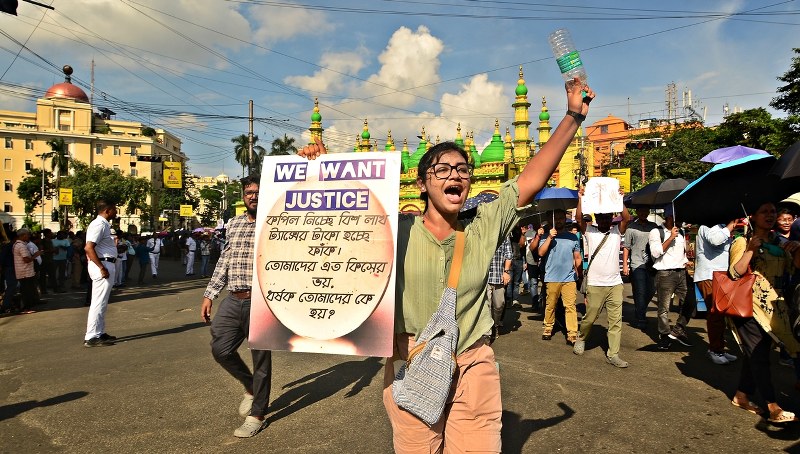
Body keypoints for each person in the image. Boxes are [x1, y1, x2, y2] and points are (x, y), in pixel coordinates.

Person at [298, 77, 594, 452]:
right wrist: (321, 170)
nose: (455, 174)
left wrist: (572, 117)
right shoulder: (393, 231)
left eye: (463, 169)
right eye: (442, 169)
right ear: (421, 184)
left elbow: (530, 180)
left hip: (472, 365)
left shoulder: (483, 226)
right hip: (412, 362)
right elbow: (339, 222)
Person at [201, 174, 272, 438]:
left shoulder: (274, 222)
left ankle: (257, 414)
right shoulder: (234, 223)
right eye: (248, 192)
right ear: (243, 196)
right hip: (233, 298)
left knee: (261, 358)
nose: (253, 196)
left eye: (257, 192)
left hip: (261, 301)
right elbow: (225, 259)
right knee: (220, 349)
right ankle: (250, 385)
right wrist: (210, 294)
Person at [728, 201, 800, 423]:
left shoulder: (780, 243)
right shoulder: (742, 241)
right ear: (753, 216)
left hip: (774, 308)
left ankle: (741, 395)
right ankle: (773, 407)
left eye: (773, 212)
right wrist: (750, 249)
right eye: (764, 212)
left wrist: (797, 248)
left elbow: (794, 268)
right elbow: (735, 273)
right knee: (759, 356)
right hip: (749, 305)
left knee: (756, 354)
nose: (770, 215)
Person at [573, 186, 631, 368]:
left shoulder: (616, 232)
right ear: (597, 218)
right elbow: (578, 219)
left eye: (608, 217)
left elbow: (627, 218)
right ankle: (581, 337)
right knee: (590, 317)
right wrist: (580, 198)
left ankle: (613, 354)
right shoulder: (590, 231)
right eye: (602, 217)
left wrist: (620, 199)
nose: (605, 220)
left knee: (616, 321)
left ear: (612, 217)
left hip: (615, 284)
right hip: (595, 284)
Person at [694, 221, 739, 365]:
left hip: (721, 276)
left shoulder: (721, 227)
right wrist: (730, 227)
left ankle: (719, 348)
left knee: (720, 315)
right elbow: (715, 240)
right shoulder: (707, 225)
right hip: (709, 275)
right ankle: (715, 350)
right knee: (715, 314)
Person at [537, 209, 583, 344]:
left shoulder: (572, 237)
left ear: (565, 219)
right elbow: (540, 253)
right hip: (551, 277)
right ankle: (548, 328)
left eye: (561, 218)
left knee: (570, 306)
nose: (558, 220)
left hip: (569, 278)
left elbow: (577, 257)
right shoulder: (546, 236)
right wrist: (549, 238)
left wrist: (579, 274)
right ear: (551, 220)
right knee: (550, 305)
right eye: (556, 218)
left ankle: (572, 333)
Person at [649, 212, 691, 350]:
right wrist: (671, 237)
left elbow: (682, 252)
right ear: (668, 217)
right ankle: (664, 335)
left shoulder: (682, 231)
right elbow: (655, 253)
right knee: (664, 308)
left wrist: (686, 261)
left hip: (681, 272)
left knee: (690, 302)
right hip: (665, 273)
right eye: (676, 217)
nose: (679, 220)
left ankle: (678, 330)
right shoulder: (656, 232)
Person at [84, 200, 119, 347]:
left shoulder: (103, 224)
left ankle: (99, 332)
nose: (116, 212)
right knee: (98, 302)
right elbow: (88, 248)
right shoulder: (99, 224)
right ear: (107, 210)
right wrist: (101, 267)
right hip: (102, 265)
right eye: (114, 209)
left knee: (102, 302)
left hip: (106, 263)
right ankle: (91, 336)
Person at [622, 206, 658, 330]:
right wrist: (625, 264)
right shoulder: (631, 227)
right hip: (637, 264)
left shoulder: (654, 227)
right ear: (637, 212)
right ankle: (641, 317)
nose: (643, 213)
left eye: (645, 210)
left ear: (648, 212)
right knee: (640, 291)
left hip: (652, 264)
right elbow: (626, 247)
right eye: (641, 210)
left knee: (652, 290)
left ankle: (640, 309)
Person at [487, 236, 512, 333]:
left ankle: (495, 324)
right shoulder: (484, 233)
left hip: (499, 277)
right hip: (485, 278)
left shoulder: (505, 236)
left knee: (499, 305)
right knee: (487, 306)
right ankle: (487, 330)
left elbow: (509, 255)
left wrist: (506, 272)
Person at [13, 228, 42, 311]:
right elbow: (26, 260)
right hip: (24, 272)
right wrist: (36, 255)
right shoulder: (21, 246)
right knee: (26, 290)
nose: (29, 236)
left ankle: (30, 305)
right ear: (23, 235)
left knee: (28, 289)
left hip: (24, 271)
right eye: (28, 235)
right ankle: (26, 307)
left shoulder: (20, 244)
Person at [524, 223, 542, 309]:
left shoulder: (547, 234)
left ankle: (541, 299)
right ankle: (535, 303)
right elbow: (531, 248)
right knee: (533, 283)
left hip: (543, 262)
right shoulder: (529, 234)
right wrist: (537, 236)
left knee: (545, 283)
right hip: (531, 261)